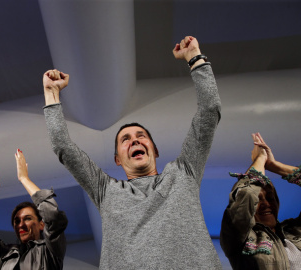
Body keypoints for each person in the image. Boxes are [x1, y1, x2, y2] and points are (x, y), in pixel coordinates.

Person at [42, 36, 222, 269]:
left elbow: (209, 111)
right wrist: (51, 94)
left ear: (154, 150)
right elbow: (62, 146)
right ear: (118, 159)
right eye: (125, 140)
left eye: (141, 136)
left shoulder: (184, 173)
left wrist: (195, 58)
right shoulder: (105, 190)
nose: (134, 140)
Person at [0, 149, 68, 269]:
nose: (21, 225)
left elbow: (52, 214)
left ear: (41, 224)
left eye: (27, 218)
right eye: (17, 221)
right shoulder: (3, 254)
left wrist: (24, 179)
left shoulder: (51, 250)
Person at [221, 133, 301, 269]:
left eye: (270, 198)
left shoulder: (295, 231)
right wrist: (260, 159)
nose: (266, 204)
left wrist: (274, 165)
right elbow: (245, 195)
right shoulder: (239, 237)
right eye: (257, 200)